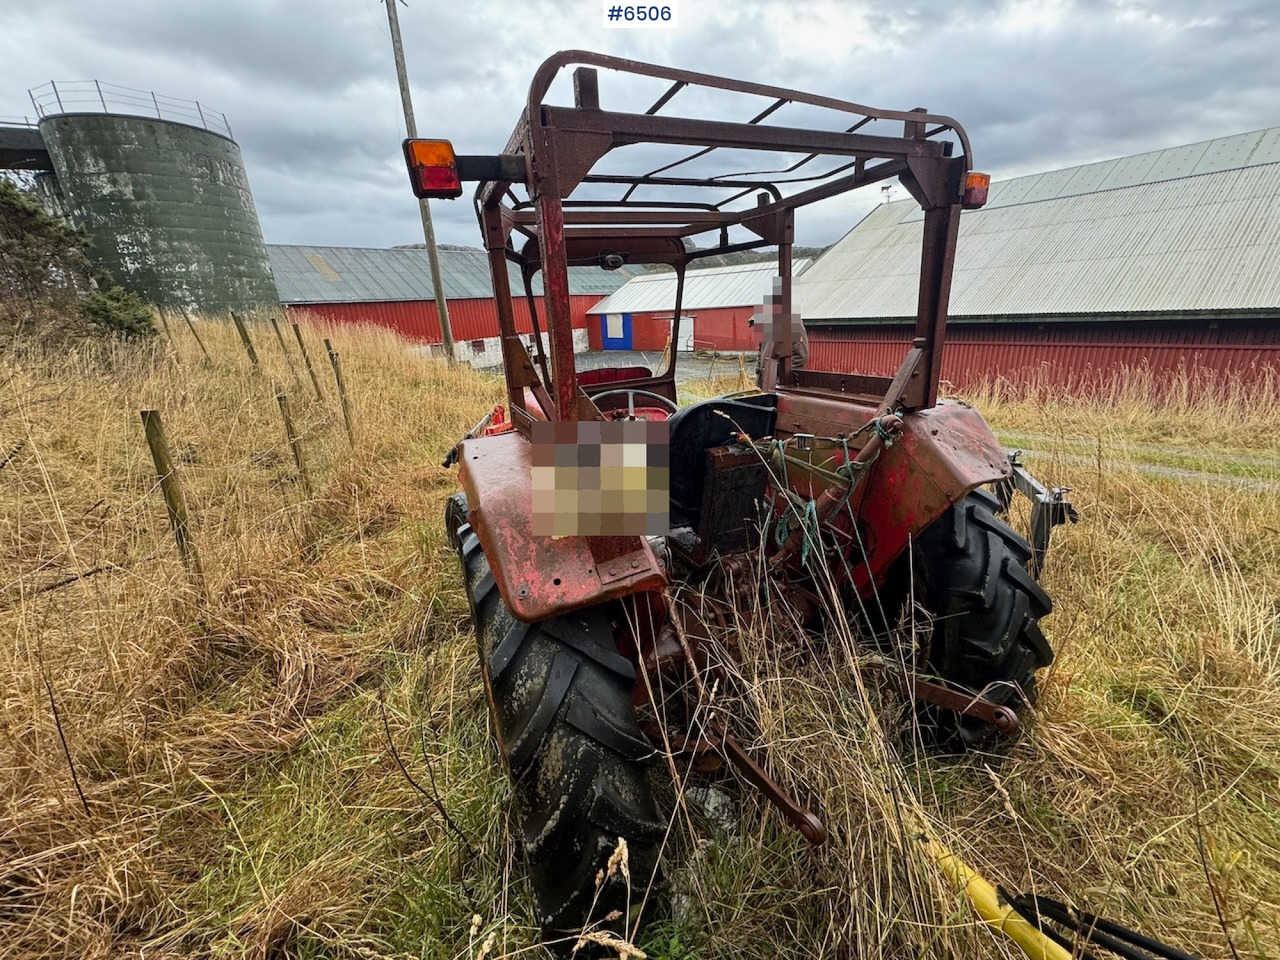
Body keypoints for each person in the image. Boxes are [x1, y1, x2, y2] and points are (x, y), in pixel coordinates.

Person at [749, 279, 808, 387]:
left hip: (779, 386)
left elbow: (800, 357)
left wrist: (780, 378)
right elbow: (761, 350)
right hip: (765, 383)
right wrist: (759, 371)